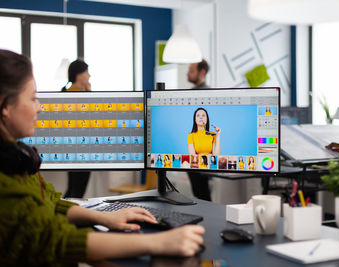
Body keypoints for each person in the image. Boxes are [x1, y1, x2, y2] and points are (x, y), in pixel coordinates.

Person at [0, 49, 204, 266]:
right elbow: (57, 240)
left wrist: (104, 217)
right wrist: (158, 242)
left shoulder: (17, 161)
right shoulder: (6, 186)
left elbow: (49, 203)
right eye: (32, 98)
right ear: (4, 105)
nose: (40, 107)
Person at [62, 59, 91, 198]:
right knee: (77, 191)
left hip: (70, 148)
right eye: (87, 72)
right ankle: (69, 217)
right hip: (82, 149)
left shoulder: (65, 93)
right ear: (79, 75)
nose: (89, 76)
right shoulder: (80, 95)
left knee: (73, 188)